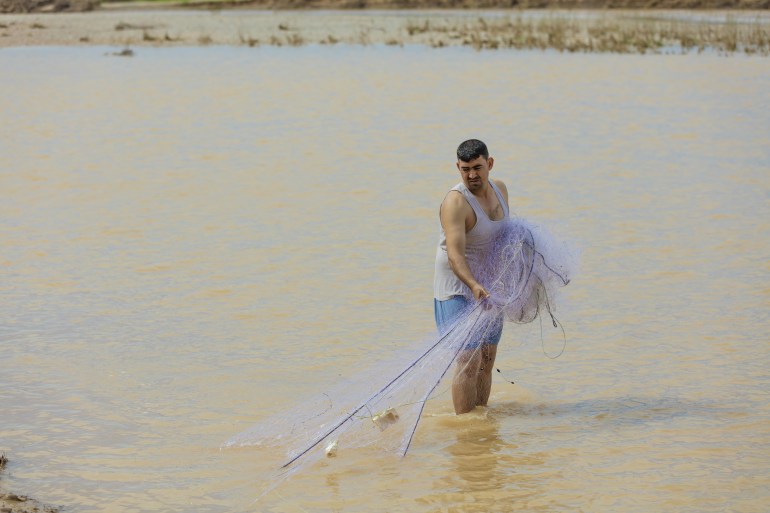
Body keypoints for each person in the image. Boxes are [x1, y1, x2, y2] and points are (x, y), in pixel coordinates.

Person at [433, 139, 510, 414]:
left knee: (487, 358)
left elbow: (505, 237)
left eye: (477, 167)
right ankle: (464, 427)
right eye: (465, 169)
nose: (472, 175)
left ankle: (480, 425)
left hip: (488, 285)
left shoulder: (500, 190)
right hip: (457, 287)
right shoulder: (456, 203)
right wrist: (474, 284)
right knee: (468, 359)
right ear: (458, 168)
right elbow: (455, 256)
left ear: (489, 164)